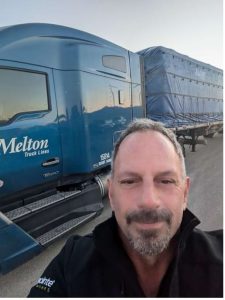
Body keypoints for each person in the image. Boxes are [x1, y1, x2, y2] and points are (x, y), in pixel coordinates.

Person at [28, 118, 223, 297]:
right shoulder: (72, 264)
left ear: (185, 193)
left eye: (165, 180)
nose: (148, 200)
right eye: (130, 181)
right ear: (111, 194)